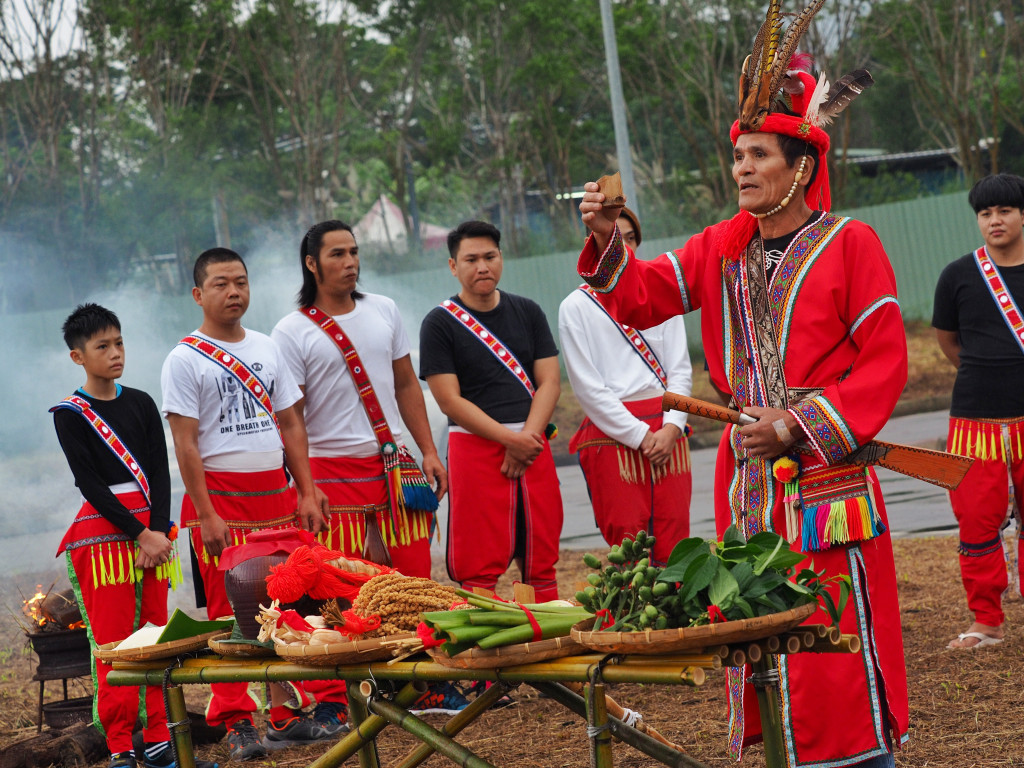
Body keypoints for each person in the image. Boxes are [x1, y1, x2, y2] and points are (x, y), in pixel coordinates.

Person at [574, 12, 909, 766]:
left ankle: (860, 760)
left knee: (832, 634)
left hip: (827, 480)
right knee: (757, 632)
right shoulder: (720, 249)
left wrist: (795, 425)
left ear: (801, 164)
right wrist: (604, 240)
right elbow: (640, 297)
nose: (742, 169)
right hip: (747, 485)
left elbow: (884, 361)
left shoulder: (850, 243)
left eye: (759, 154)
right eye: (737, 156)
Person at [271, 221, 468, 715]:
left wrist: (428, 450)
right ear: (312, 264)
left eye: (354, 252)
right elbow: (289, 417)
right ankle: (345, 696)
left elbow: (406, 385)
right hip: (330, 474)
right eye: (337, 254)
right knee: (339, 589)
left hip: (396, 467)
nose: (350, 261)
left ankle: (426, 682)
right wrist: (305, 487)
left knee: (413, 582)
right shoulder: (291, 330)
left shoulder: (384, 310)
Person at [161, 248, 337, 760]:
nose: (233, 291)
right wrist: (206, 511)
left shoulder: (266, 347)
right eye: (220, 284)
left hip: (278, 498)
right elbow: (186, 443)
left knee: (290, 602)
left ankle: (285, 715)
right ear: (198, 294)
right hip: (221, 502)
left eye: (240, 281)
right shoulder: (184, 358)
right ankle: (235, 719)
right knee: (228, 613)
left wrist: (306, 490)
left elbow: (291, 423)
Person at [51, 304, 209, 768]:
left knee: (155, 637)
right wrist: (139, 533)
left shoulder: (140, 401)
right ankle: (121, 746)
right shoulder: (69, 415)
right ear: (78, 356)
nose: (116, 353)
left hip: (153, 536)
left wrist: (158, 530)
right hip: (106, 541)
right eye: (103, 346)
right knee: (117, 644)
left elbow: (160, 471)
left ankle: (161, 741)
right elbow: (90, 485)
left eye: (119, 342)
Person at [419, 220, 564, 601]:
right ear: (453, 266)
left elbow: (549, 381)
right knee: (479, 563)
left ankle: (546, 634)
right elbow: (448, 399)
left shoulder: (528, 311)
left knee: (541, 553)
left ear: (501, 258)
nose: (482, 266)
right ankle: (488, 647)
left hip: (532, 443)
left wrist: (527, 438)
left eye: (490, 256)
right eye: (471, 259)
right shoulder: (439, 323)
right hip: (477, 446)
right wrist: (509, 440)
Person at [558, 206, 693, 565]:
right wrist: (640, 436)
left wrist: (671, 428)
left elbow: (680, 370)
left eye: (630, 238)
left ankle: (680, 618)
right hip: (615, 435)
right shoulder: (575, 307)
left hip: (668, 429)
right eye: (615, 237)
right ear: (595, 241)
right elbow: (588, 389)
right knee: (627, 541)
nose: (625, 246)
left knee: (675, 536)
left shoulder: (661, 294)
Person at [932, 172, 1024, 649]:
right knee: (976, 523)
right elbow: (948, 341)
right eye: (985, 213)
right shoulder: (958, 275)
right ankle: (986, 622)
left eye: (1005, 210)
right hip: (974, 422)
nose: (995, 220)